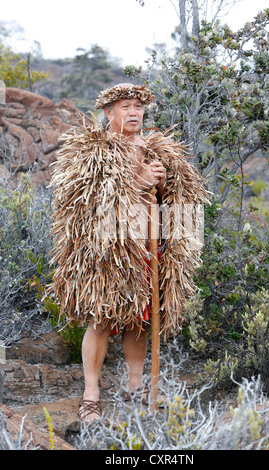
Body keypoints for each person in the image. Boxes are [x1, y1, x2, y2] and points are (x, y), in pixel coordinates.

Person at [47, 83, 209, 422]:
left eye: (137, 106)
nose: (133, 112)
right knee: (103, 318)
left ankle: (136, 385)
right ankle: (91, 392)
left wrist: (164, 184)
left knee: (140, 319)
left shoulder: (153, 150)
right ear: (108, 112)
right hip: (109, 251)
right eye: (125, 107)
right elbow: (82, 202)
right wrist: (137, 183)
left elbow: (177, 204)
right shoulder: (94, 150)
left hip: (150, 247)